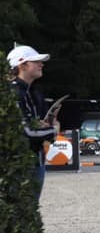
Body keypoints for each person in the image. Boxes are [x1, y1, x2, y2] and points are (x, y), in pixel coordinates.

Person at [8, 44, 58, 198]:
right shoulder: (13, 92)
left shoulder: (34, 91)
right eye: (36, 61)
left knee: (30, 210)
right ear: (22, 65)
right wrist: (53, 130)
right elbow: (27, 132)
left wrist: (49, 125)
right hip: (18, 165)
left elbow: (39, 127)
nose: (41, 64)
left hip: (37, 161)